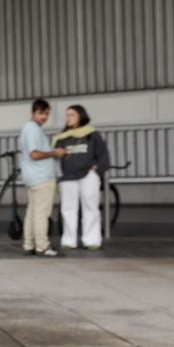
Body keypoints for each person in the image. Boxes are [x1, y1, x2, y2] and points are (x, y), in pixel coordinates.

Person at [55, 104, 111, 251]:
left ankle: (91, 240)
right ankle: (69, 240)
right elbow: (56, 156)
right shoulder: (62, 136)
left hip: (88, 176)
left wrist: (97, 168)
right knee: (67, 209)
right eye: (67, 115)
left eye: (72, 114)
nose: (68, 118)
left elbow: (103, 155)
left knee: (90, 207)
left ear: (81, 116)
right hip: (68, 177)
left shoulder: (92, 134)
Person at [18, 99, 61, 256]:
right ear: (33, 113)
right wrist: (54, 153)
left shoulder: (28, 129)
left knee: (32, 212)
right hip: (42, 177)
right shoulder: (33, 129)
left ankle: (29, 243)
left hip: (32, 177)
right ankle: (43, 245)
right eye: (41, 113)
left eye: (47, 113)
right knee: (42, 213)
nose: (44, 117)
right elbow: (34, 154)